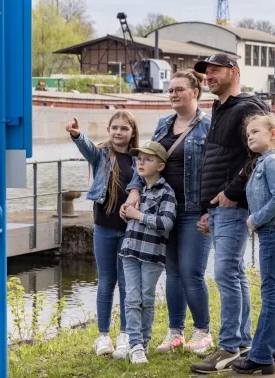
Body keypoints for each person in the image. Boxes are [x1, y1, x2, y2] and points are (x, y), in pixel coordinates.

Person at [189, 53, 271, 374]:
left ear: (234, 72)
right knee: (233, 272)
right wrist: (207, 207)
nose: (208, 76)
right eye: (205, 72)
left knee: (226, 273)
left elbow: (257, 157)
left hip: (234, 205)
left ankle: (227, 346)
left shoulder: (247, 108)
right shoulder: (219, 107)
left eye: (214, 70)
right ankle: (243, 341)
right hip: (219, 206)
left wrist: (230, 193)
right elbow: (215, 159)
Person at [125, 70, 214, 354]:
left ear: (195, 92)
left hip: (193, 210)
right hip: (163, 206)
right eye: (170, 90)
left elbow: (216, 170)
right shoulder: (164, 124)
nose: (173, 94)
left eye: (179, 89)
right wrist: (136, 189)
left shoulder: (207, 127)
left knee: (192, 271)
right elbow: (145, 159)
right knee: (173, 272)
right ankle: (175, 332)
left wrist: (210, 209)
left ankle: (203, 332)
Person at [66, 111, 141, 360]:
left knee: (127, 283)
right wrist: (77, 135)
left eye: (124, 129)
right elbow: (87, 148)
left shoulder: (139, 159)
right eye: (114, 128)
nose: (118, 133)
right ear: (108, 130)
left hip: (130, 230)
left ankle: (124, 334)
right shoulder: (102, 156)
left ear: (132, 132)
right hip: (104, 228)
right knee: (106, 282)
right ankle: (103, 335)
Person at [232, 113, 275, 375]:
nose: (250, 136)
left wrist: (254, 220)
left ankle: (261, 356)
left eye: (256, 132)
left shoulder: (271, 162)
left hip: (274, 232)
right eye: (248, 133)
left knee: (271, 294)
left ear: (273, 134)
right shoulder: (266, 161)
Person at [118, 141, 177, 364]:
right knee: (132, 298)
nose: (141, 163)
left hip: (152, 255)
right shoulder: (137, 190)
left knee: (146, 298)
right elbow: (130, 218)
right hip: (130, 251)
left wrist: (138, 215)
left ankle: (143, 342)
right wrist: (126, 211)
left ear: (160, 166)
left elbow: (166, 222)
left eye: (148, 159)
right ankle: (134, 344)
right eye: (139, 159)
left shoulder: (166, 193)